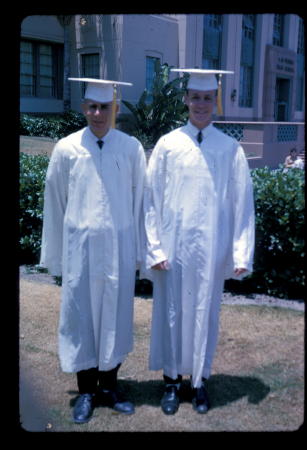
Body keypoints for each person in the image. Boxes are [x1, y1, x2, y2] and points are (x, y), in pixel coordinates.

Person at [143, 68, 255, 415]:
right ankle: (172, 383)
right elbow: (150, 199)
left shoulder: (229, 148)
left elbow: (242, 203)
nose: (201, 104)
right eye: (195, 98)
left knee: (206, 315)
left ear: (215, 102)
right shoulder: (168, 144)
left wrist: (241, 252)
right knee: (172, 315)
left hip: (210, 250)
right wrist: (155, 247)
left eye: (208, 98)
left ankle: (200, 381)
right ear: (186, 100)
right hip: (173, 251)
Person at [40, 77, 146, 423]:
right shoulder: (67, 149)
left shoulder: (131, 149)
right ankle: (86, 391)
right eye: (92, 106)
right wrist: (56, 257)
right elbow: (55, 204)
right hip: (80, 252)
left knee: (114, 317)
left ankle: (109, 388)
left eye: (105, 107)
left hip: (117, 250)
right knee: (82, 318)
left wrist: (137, 253)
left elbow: (140, 203)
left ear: (115, 109)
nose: (98, 113)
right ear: (84, 107)